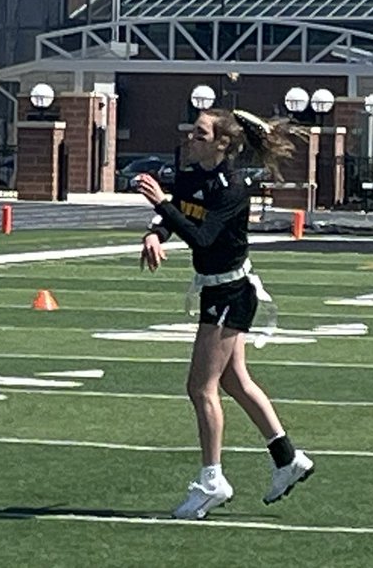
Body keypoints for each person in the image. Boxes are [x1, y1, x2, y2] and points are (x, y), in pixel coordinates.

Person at [135, 108, 314, 520]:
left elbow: (202, 237)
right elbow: (175, 214)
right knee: (234, 381)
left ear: (222, 143)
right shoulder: (191, 174)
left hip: (232, 291)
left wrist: (162, 204)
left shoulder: (232, 187)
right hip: (218, 291)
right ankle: (287, 459)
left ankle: (212, 480)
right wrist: (153, 231)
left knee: (200, 387)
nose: (190, 138)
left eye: (199, 133)